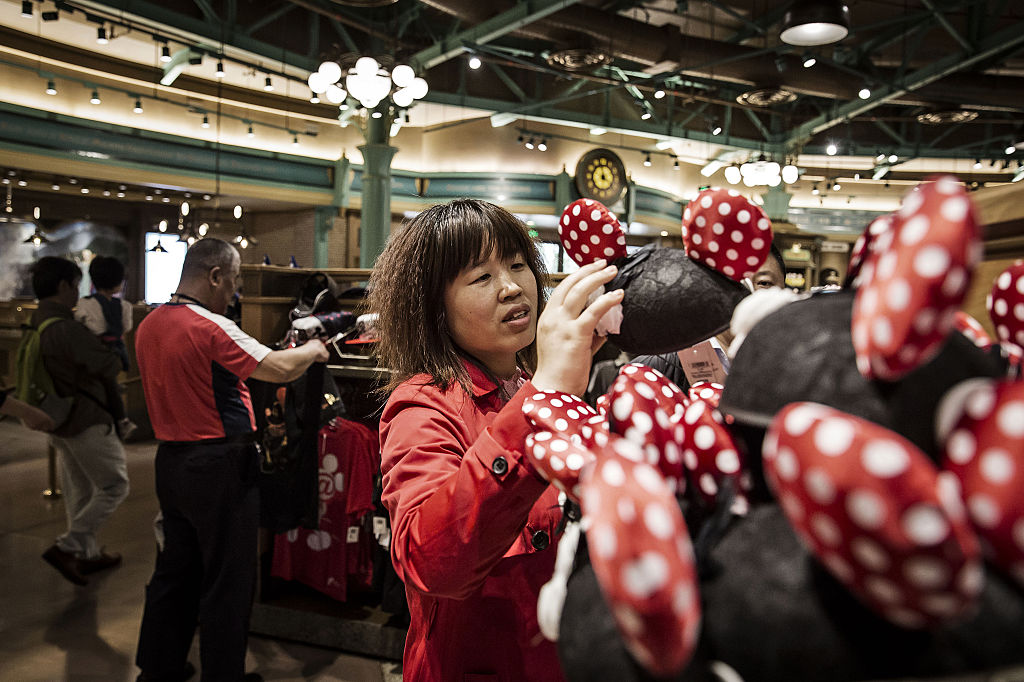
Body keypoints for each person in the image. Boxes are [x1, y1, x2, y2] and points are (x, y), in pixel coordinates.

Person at [369, 199, 623, 682]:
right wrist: (543, 396)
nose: (511, 287)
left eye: (517, 265)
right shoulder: (422, 404)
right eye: (481, 278)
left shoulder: (534, 382)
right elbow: (432, 561)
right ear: (434, 305)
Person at [134, 238, 329, 682]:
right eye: (235, 280)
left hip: (171, 463)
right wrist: (315, 351)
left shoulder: (149, 324)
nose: (235, 291)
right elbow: (277, 367)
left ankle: (158, 668)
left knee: (174, 570)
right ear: (216, 275)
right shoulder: (209, 326)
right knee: (228, 579)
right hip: (220, 463)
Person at [30, 256, 129, 586]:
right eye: (74, 285)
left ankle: (86, 556)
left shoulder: (39, 323)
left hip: (59, 419)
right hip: (85, 418)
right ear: (63, 286)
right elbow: (108, 365)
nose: (77, 292)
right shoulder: (66, 329)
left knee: (80, 490)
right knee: (115, 484)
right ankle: (69, 546)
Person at [75, 255, 137, 440]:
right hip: (117, 350)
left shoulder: (85, 304)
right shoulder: (124, 306)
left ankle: (119, 421)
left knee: (105, 386)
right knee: (111, 384)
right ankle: (121, 420)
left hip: (95, 349)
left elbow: (84, 325)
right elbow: (126, 328)